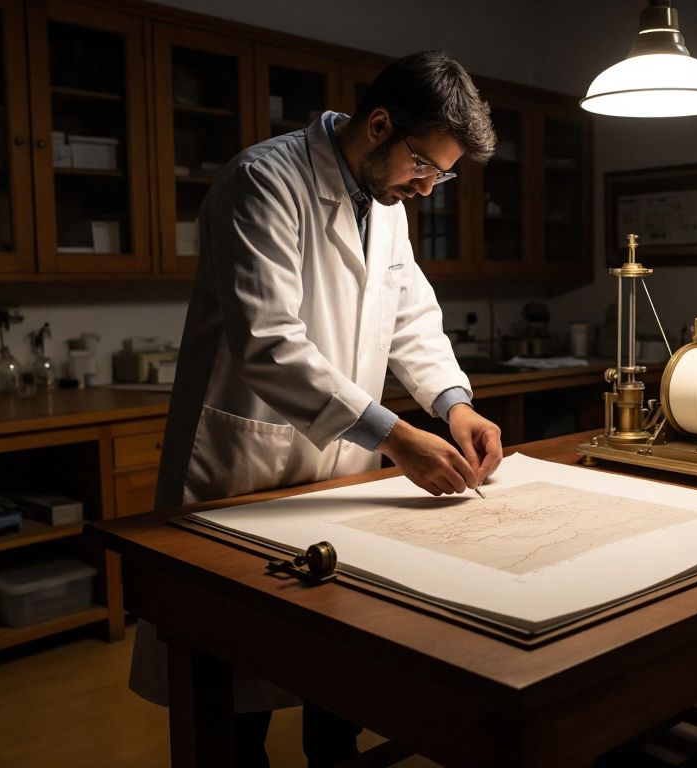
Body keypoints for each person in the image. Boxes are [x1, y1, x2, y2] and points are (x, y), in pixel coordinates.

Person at [129, 51, 504, 766]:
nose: (428, 187)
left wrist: (453, 404)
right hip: (246, 467)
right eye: (425, 165)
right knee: (235, 694)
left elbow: (411, 318)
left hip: (339, 466)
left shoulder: (386, 204)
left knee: (340, 677)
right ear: (380, 125)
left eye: (443, 175)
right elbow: (267, 343)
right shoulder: (263, 181)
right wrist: (396, 435)